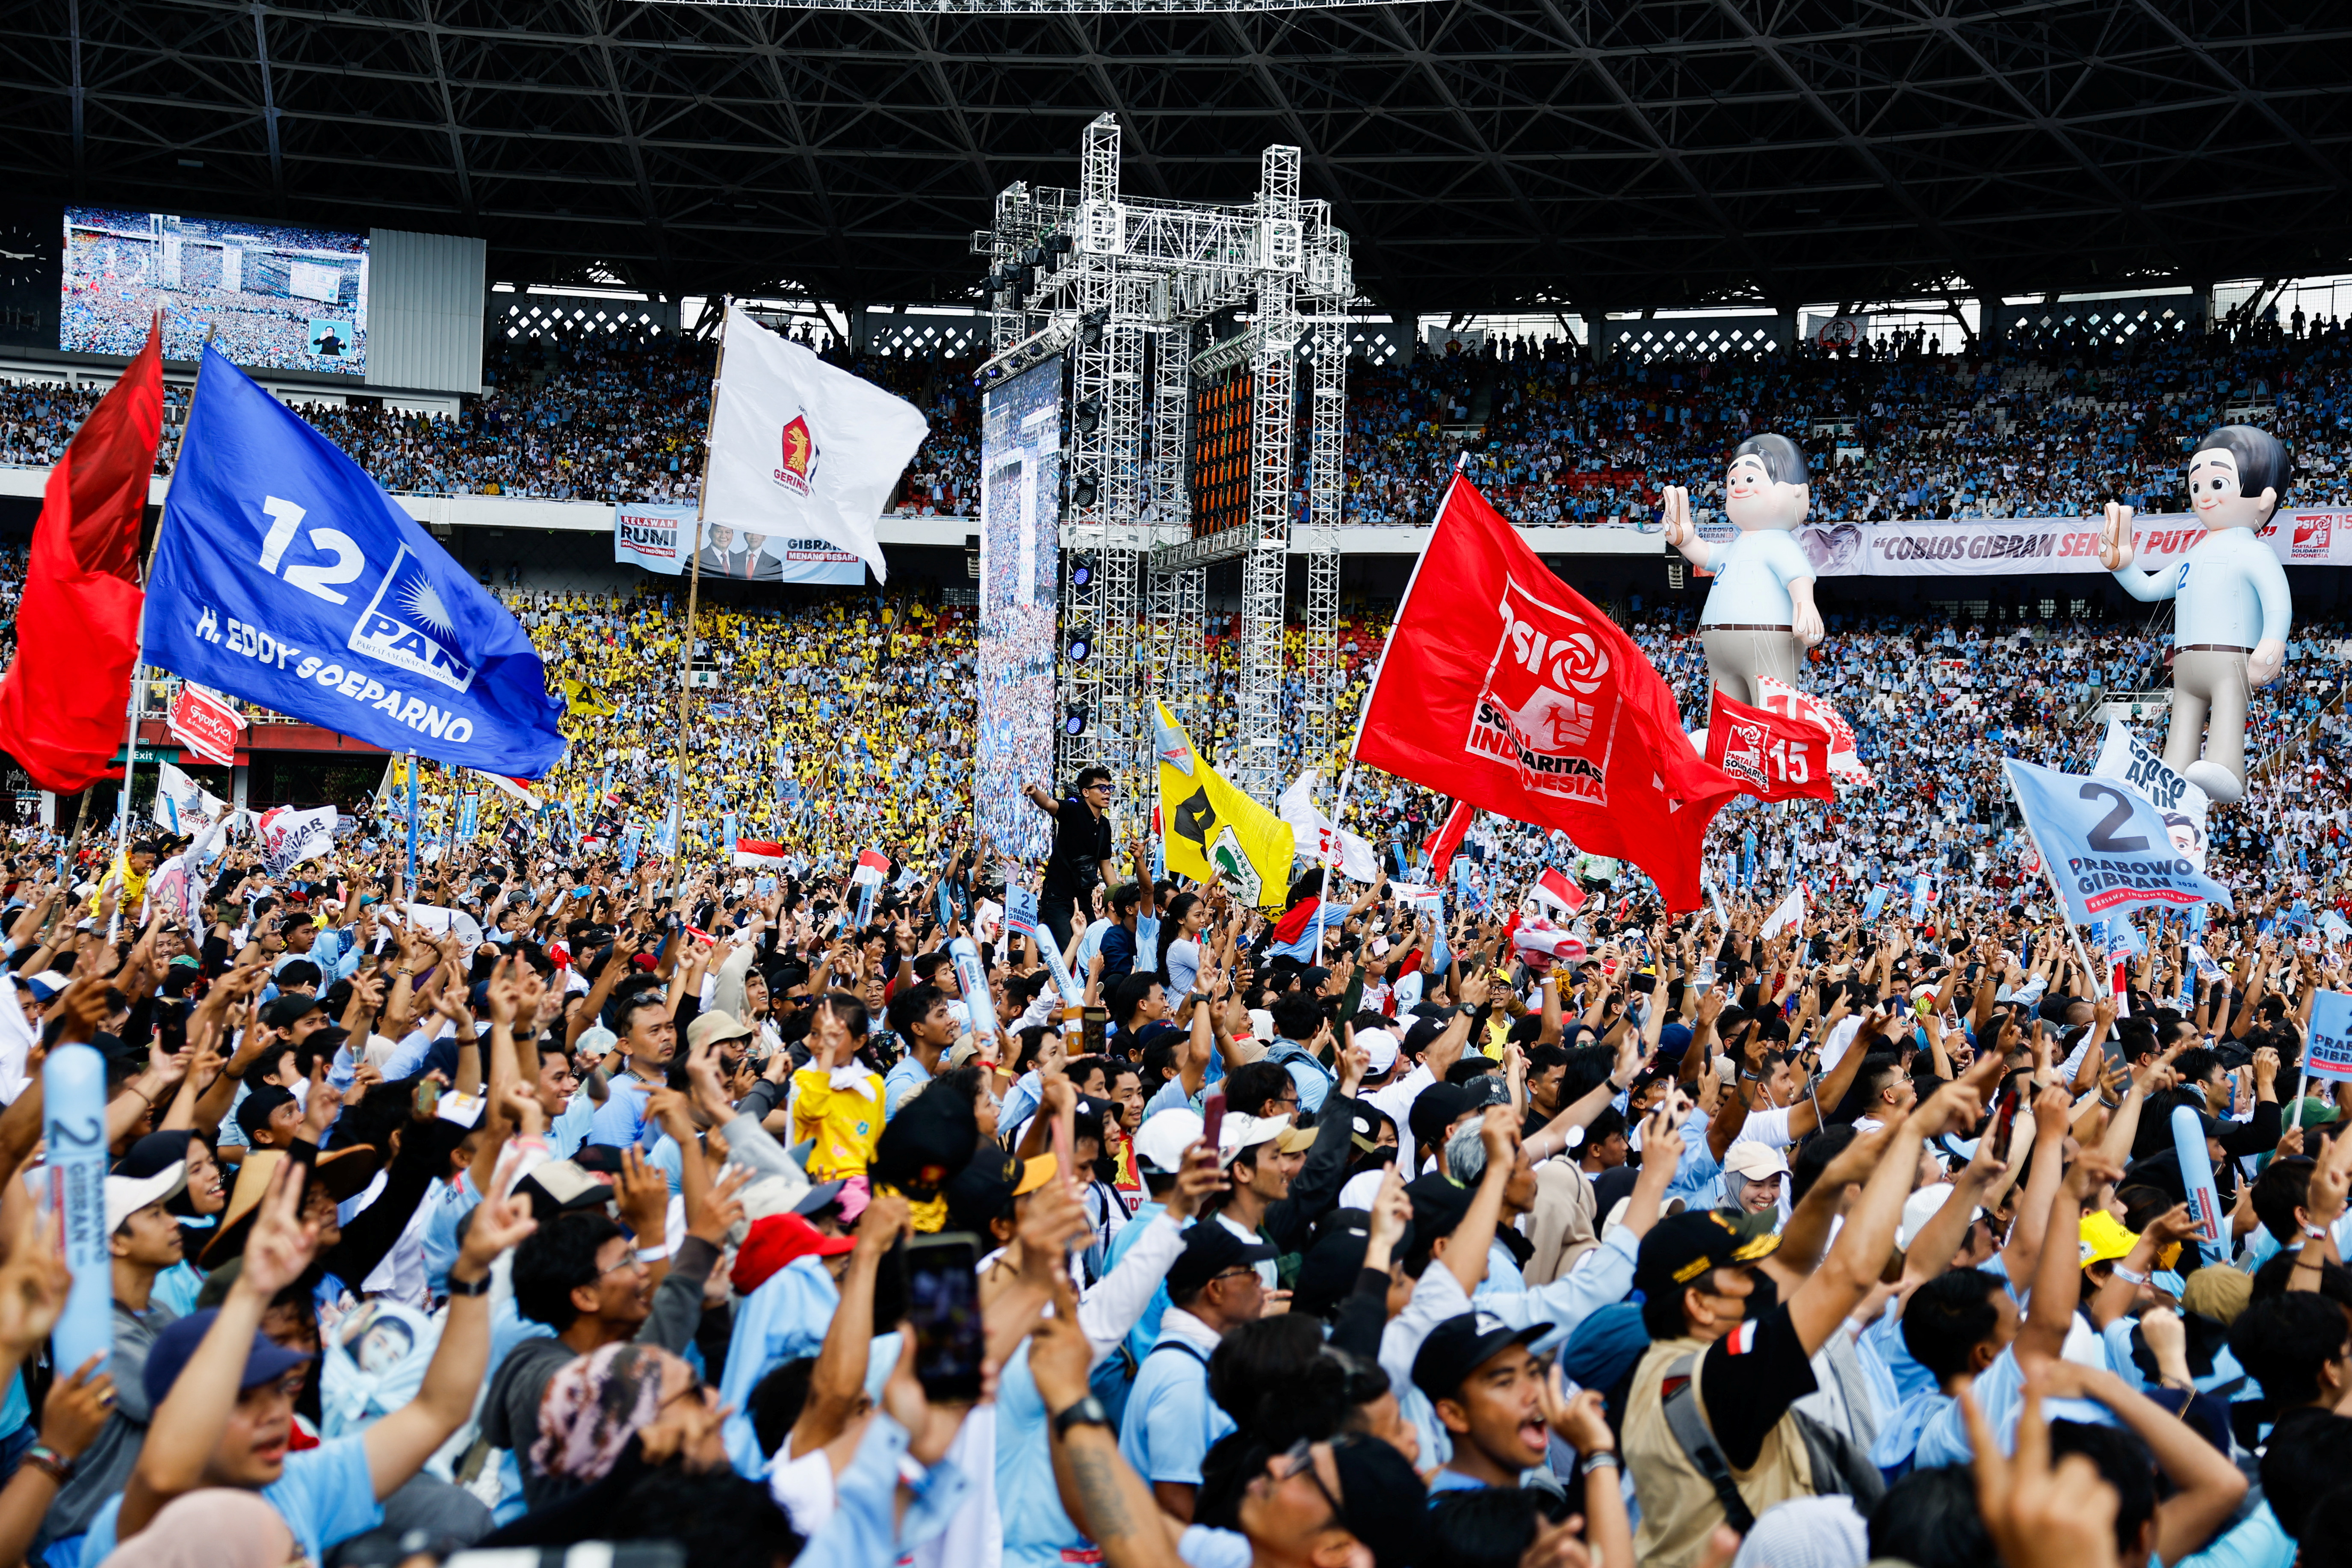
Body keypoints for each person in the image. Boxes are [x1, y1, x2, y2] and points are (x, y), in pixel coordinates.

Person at [89, 1160, 535, 1563]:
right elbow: (164, 1475)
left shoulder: (298, 1484)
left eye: (279, 1389)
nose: (275, 1414)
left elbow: (439, 1410)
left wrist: (473, 1274)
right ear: (172, 1416)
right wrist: (250, 1292)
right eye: (242, 1400)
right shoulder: (141, 1524)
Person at [1118, 1224, 1276, 1523]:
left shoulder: (1198, 1357)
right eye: (1246, 1270)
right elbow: (1176, 1503)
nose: (1259, 1279)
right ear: (1215, 1289)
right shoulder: (1183, 1378)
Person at [1026, 768, 1117, 950]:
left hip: (1084, 900)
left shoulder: (1105, 826)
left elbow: (1106, 866)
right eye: (1101, 788)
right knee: (1068, 951)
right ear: (1086, 792)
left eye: (1110, 788)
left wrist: (1120, 895)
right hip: (1058, 898)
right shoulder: (1073, 810)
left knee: (1093, 949)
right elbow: (1049, 804)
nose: (1107, 792)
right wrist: (1035, 793)